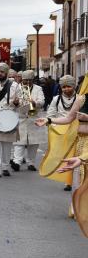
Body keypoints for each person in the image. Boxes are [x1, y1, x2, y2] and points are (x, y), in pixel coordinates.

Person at [36, 74, 88, 218]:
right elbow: (68, 118)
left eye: (68, 85)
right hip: (81, 141)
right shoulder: (81, 99)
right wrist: (48, 120)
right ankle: (76, 207)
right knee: (79, 176)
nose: (66, 89)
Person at [45, 75, 77, 191]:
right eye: (63, 87)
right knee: (65, 157)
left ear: (73, 86)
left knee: (75, 156)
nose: (66, 89)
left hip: (77, 133)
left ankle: (72, 181)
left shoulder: (80, 98)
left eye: (68, 86)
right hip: (61, 132)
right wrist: (54, 127)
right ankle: (67, 181)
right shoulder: (56, 99)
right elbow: (50, 115)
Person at [11, 70, 45, 172]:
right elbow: (11, 103)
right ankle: (17, 162)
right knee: (19, 142)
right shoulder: (17, 88)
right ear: (22, 79)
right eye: (26, 80)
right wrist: (15, 103)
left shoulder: (38, 89)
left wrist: (35, 103)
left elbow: (42, 101)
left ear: (33, 80)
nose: (28, 82)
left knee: (33, 143)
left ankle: (31, 163)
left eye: (30, 80)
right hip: (20, 118)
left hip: (33, 118)